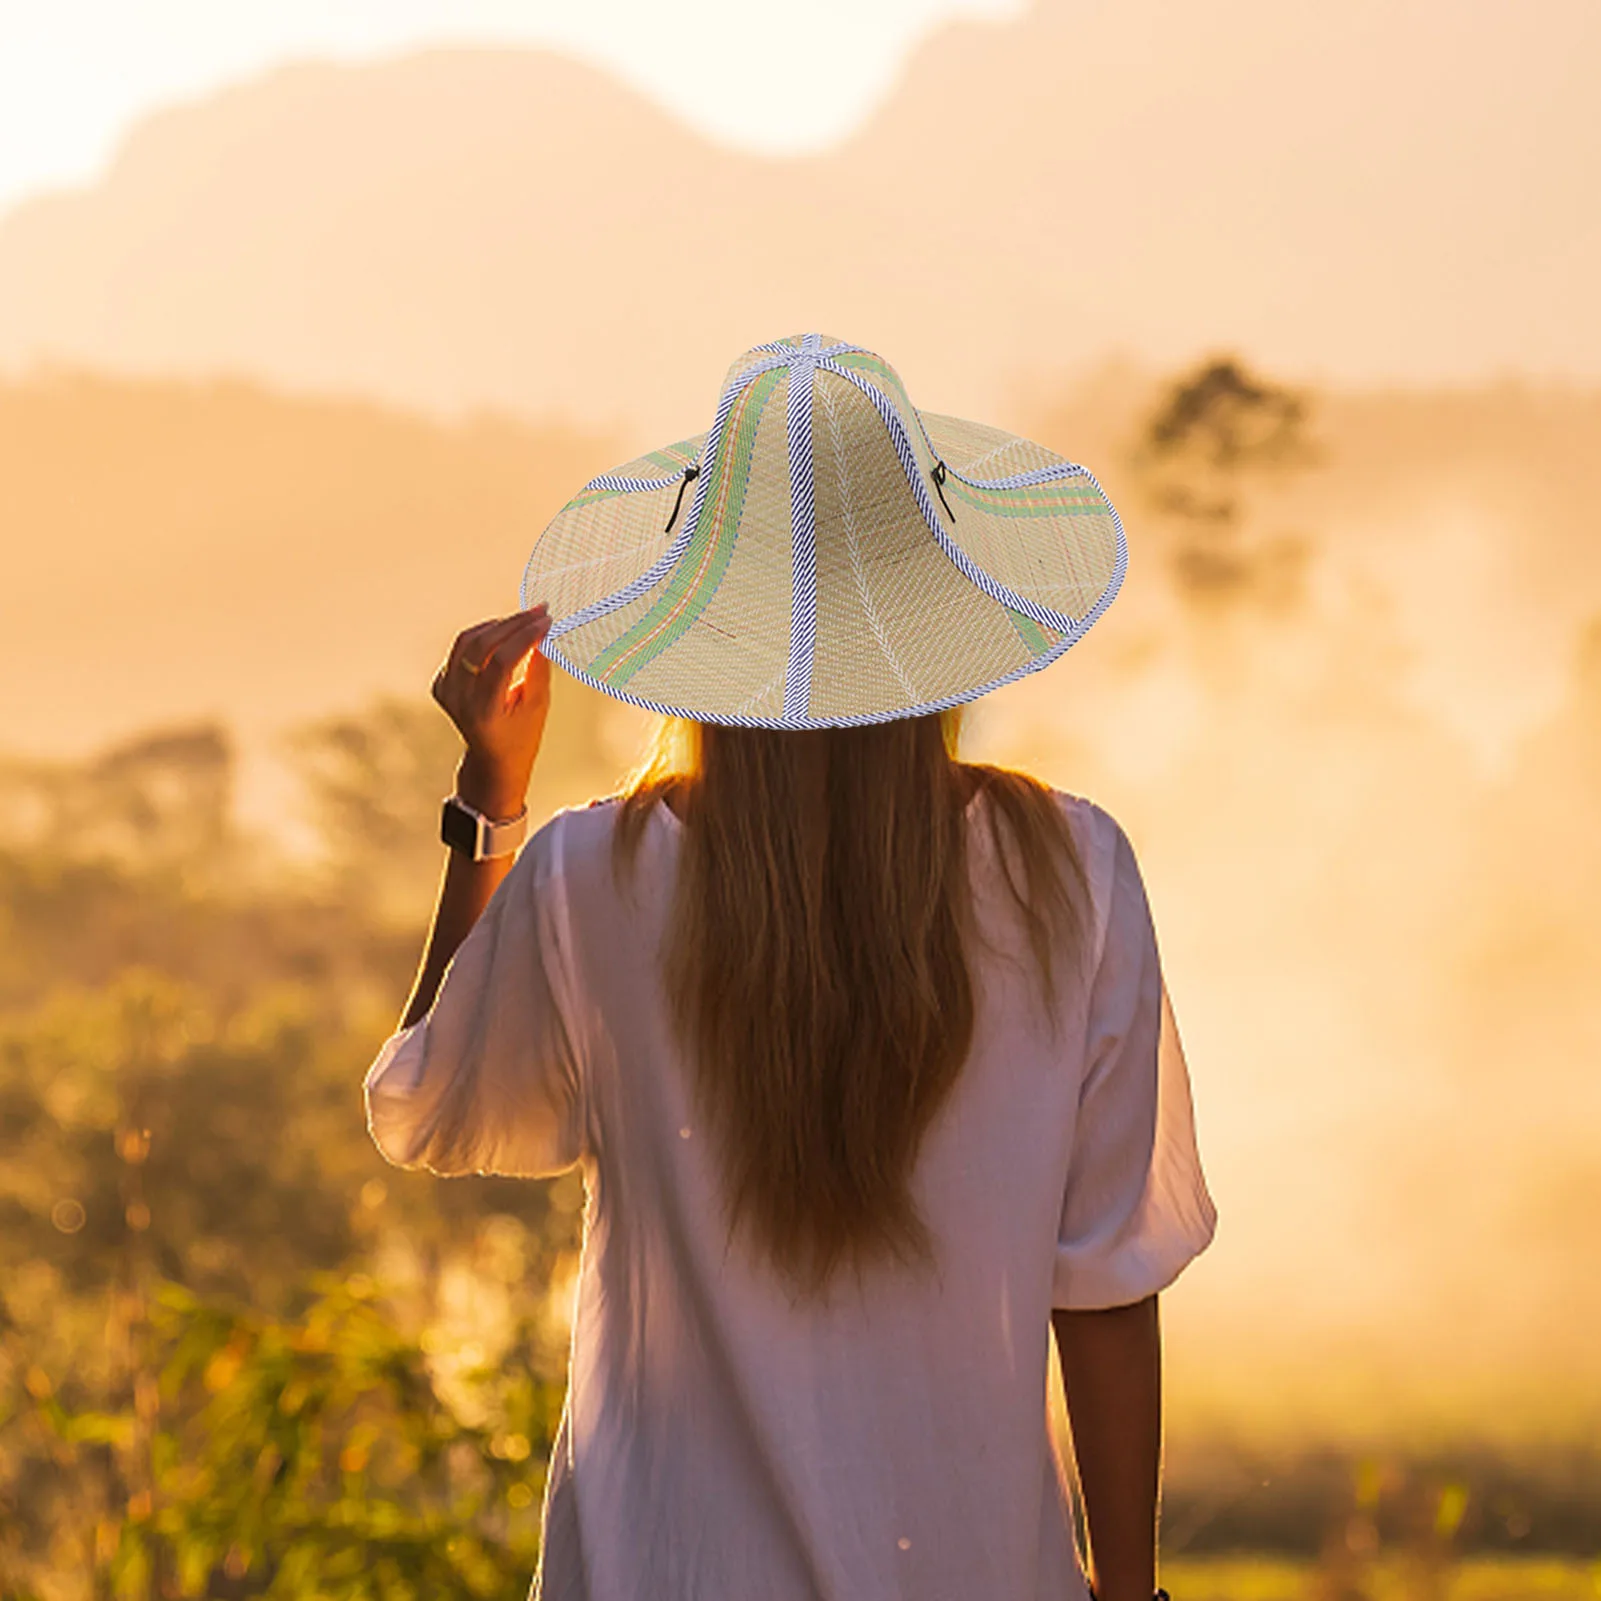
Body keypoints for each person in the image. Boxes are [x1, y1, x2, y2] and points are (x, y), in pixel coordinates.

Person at [365, 335, 1216, 1601]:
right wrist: (1129, 1591)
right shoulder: (1069, 872)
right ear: (933, 614)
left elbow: (428, 1106)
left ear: (704, 622)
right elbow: (1102, 1285)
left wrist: (490, 800)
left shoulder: (592, 876)